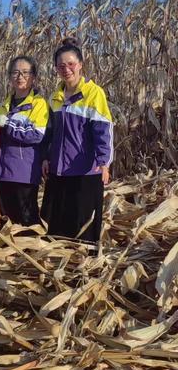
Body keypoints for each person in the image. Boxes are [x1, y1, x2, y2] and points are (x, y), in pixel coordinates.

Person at [41, 37, 113, 243]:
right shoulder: (55, 97)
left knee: (84, 226)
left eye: (71, 64)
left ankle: (85, 265)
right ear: (56, 69)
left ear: (80, 65)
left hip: (85, 170)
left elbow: (103, 129)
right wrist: (46, 158)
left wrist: (104, 162)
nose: (67, 69)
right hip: (59, 170)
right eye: (61, 65)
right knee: (58, 224)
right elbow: (50, 133)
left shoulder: (93, 93)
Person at [0, 56, 48, 227]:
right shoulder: (5, 105)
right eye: (15, 72)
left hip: (24, 172)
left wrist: (7, 124)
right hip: (3, 171)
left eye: (25, 72)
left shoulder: (38, 104)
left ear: (33, 77)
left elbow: (36, 134)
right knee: (8, 219)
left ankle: (30, 251)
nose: (20, 76)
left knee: (27, 219)